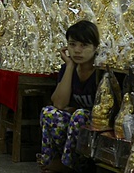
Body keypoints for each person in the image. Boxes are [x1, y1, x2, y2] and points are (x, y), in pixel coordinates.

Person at [37, 20, 99, 173]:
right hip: (73, 126)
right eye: (72, 44)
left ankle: (68, 166)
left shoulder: (101, 71)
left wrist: (77, 110)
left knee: (79, 116)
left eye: (84, 45)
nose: (77, 50)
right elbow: (58, 103)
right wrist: (70, 67)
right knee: (49, 113)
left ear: (96, 47)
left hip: (95, 128)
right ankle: (51, 160)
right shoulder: (68, 68)